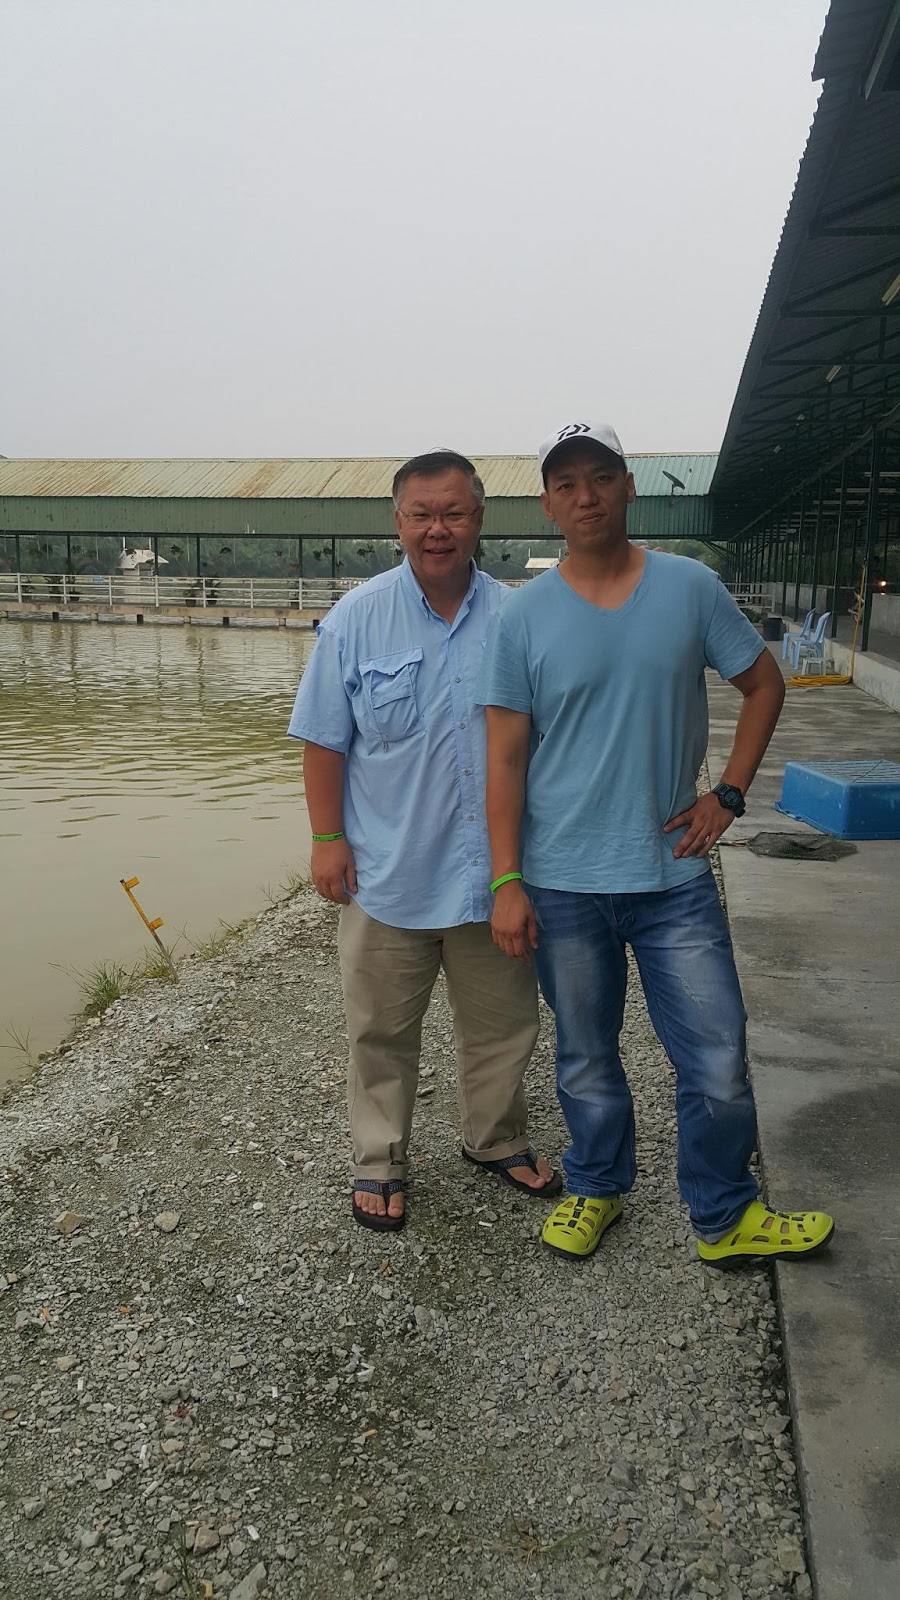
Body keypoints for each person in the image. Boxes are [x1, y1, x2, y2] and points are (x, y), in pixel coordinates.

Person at [479, 420, 834, 1268]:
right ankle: (597, 1186)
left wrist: (730, 793)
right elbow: (502, 756)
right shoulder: (522, 617)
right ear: (547, 505)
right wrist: (507, 880)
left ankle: (725, 1213)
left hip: (673, 873)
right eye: (566, 484)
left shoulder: (689, 588)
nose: (585, 495)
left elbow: (763, 683)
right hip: (562, 881)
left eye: (600, 477)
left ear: (629, 486)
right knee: (585, 1053)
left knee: (715, 1055)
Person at [288, 449, 560, 1233]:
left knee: (505, 1023)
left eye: (455, 513)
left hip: (493, 877)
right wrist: (327, 838)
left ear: (480, 520)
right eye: (422, 514)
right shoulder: (356, 618)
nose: (438, 529)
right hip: (387, 872)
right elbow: (322, 741)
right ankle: (379, 1158)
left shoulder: (520, 616)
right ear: (398, 522)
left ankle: (495, 1137)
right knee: (378, 1029)